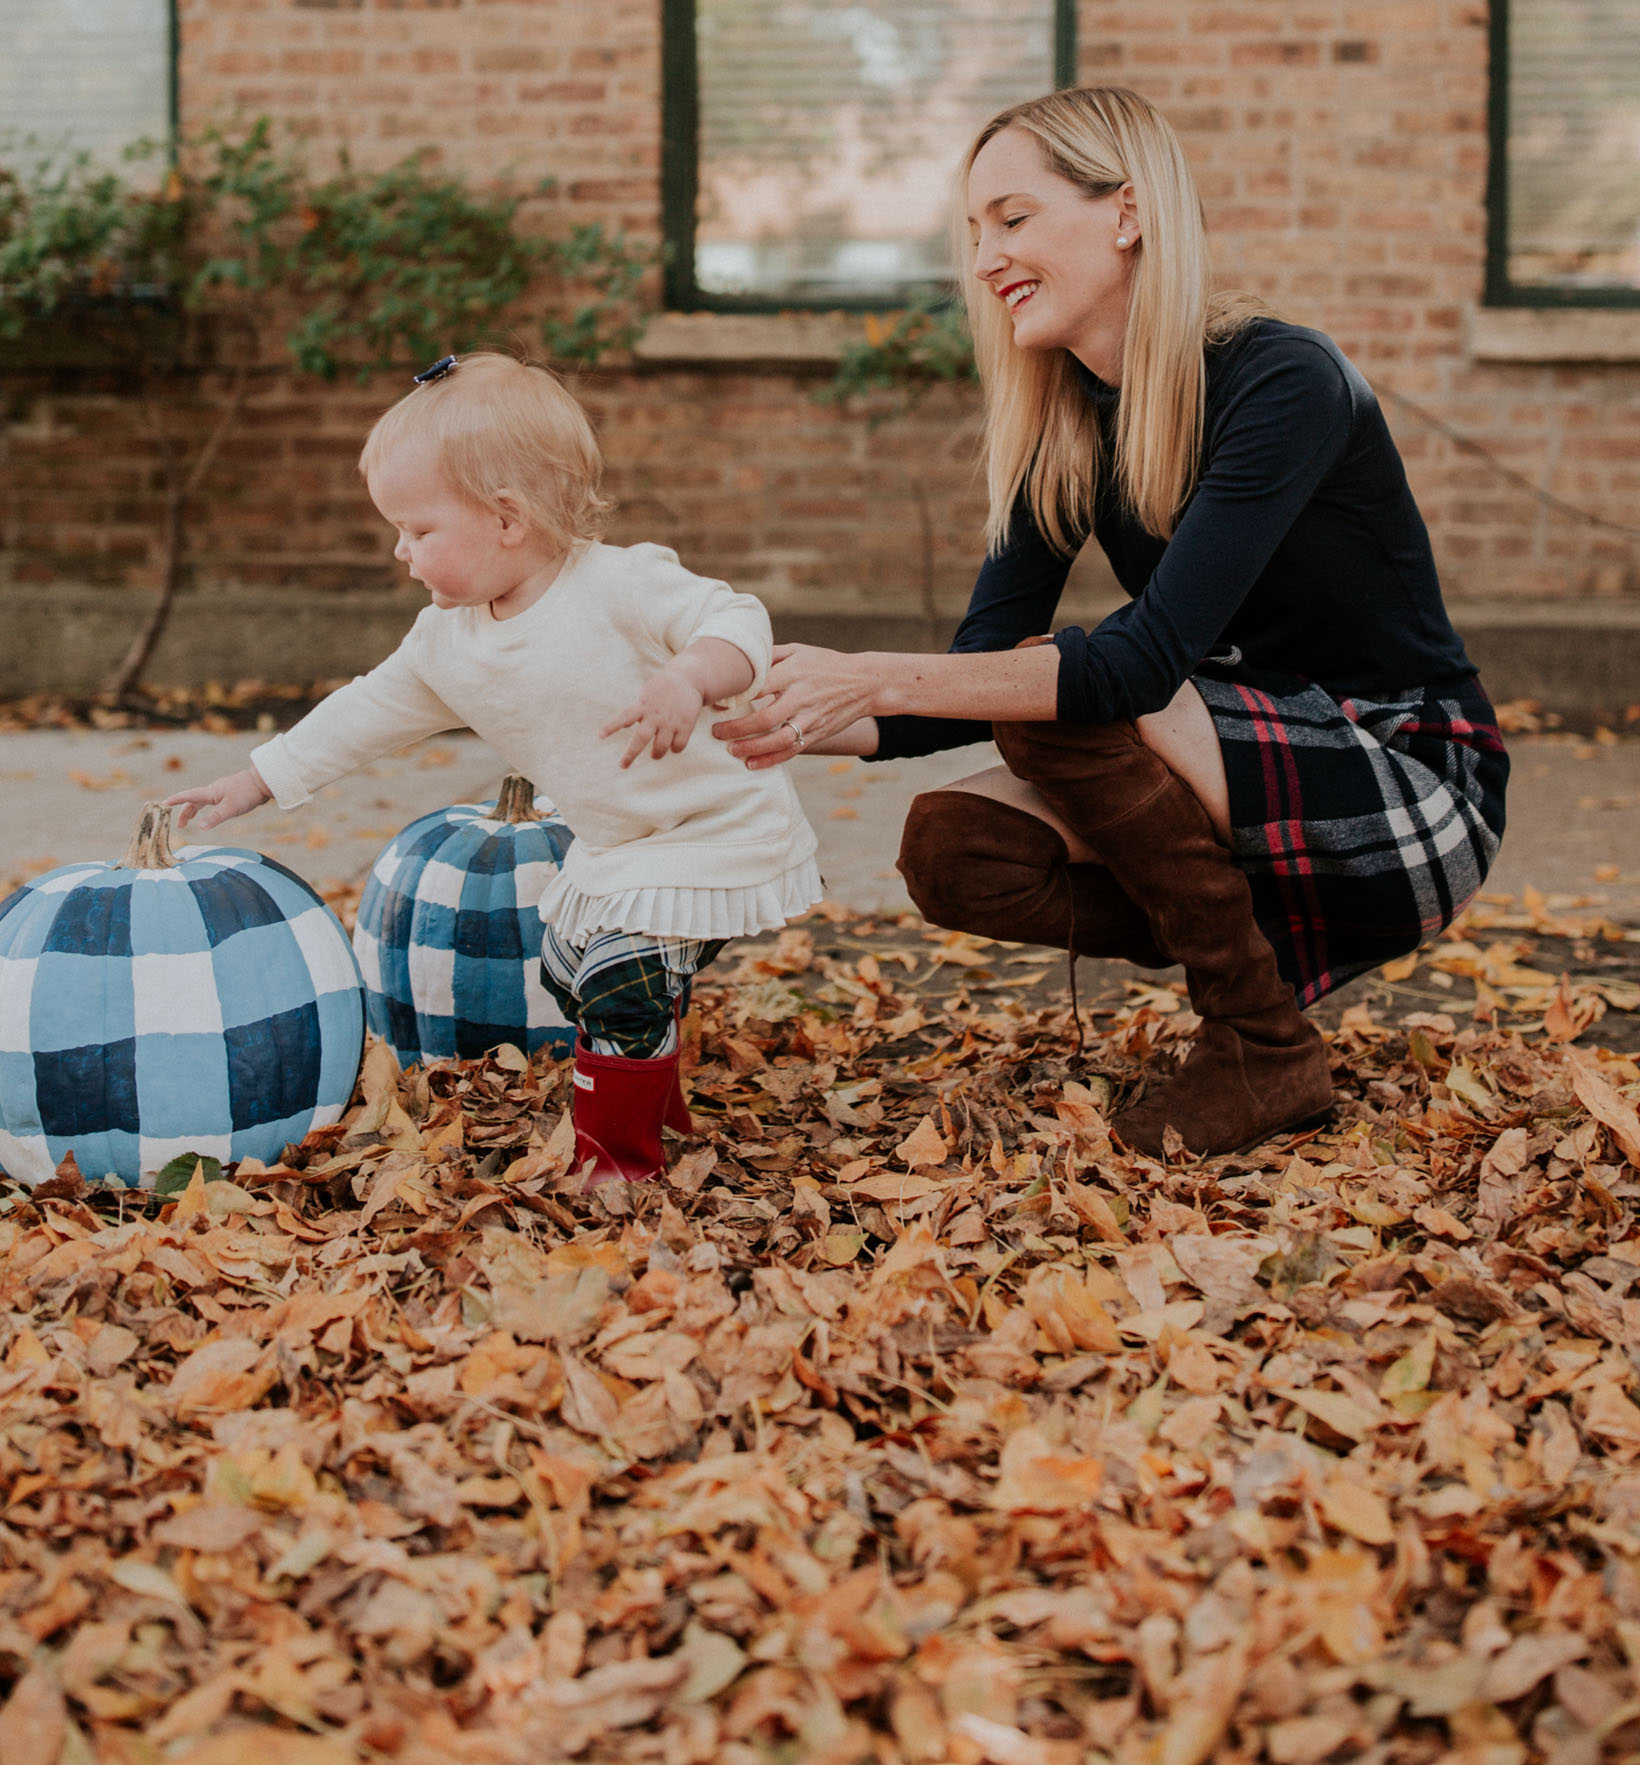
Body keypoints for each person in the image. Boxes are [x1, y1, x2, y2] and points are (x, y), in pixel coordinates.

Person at [716, 86, 1508, 1159]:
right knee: (954, 847)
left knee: (1064, 689)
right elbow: (976, 672)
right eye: (975, 233)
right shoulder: (1066, 422)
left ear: (1127, 213)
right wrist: (775, 716)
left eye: (1014, 218)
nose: (986, 257)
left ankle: (1260, 1044)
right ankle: (1252, 993)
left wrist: (876, 675)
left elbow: (1130, 671)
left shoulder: (1283, 380)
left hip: (1410, 779)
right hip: (1245, 769)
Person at [169, 353, 820, 1182]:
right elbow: (365, 712)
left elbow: (737, 621)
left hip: (717, 830)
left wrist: (689, 677)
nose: (402, 553)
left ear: (507, 518)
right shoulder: (449, 641)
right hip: (620, 848)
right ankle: (661, 1111)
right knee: (571, 975)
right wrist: (257, 778)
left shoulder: (620, 583)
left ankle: (620, 1166)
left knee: (622, 980)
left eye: (419, 530)